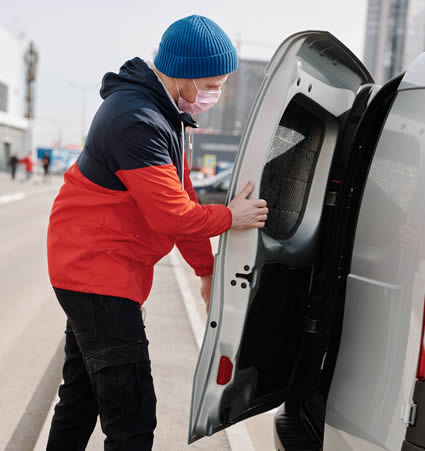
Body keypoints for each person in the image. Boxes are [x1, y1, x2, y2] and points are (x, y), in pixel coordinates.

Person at [46, 15, 268, 451]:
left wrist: (206, 271)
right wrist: (231, 217)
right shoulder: (137, 119)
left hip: (94, 271)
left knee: (80, 401)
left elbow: (181, 196)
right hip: (97, 276)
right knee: (132, 419)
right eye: (213, 82)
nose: (216, 94)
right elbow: (174, 216)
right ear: (185, 74)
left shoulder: (164, 115)